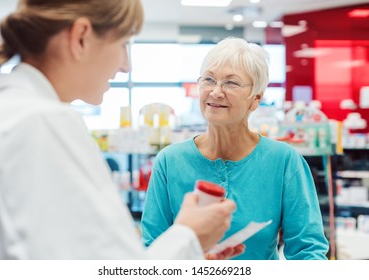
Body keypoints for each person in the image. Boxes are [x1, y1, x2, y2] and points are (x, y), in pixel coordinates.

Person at [0, 0, 239, 260]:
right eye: (123, 43)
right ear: (81, 38)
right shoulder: (41, 122)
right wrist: (190, 236)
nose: (126, 65)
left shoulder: (3, 112)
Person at [141, 37, 330, 260]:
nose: (216, 92)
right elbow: (152, 248)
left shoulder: (284, 160)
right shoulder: (170, 161)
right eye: (209, 80)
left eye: (231, 83)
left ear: (256, 98)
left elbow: (308, 250)